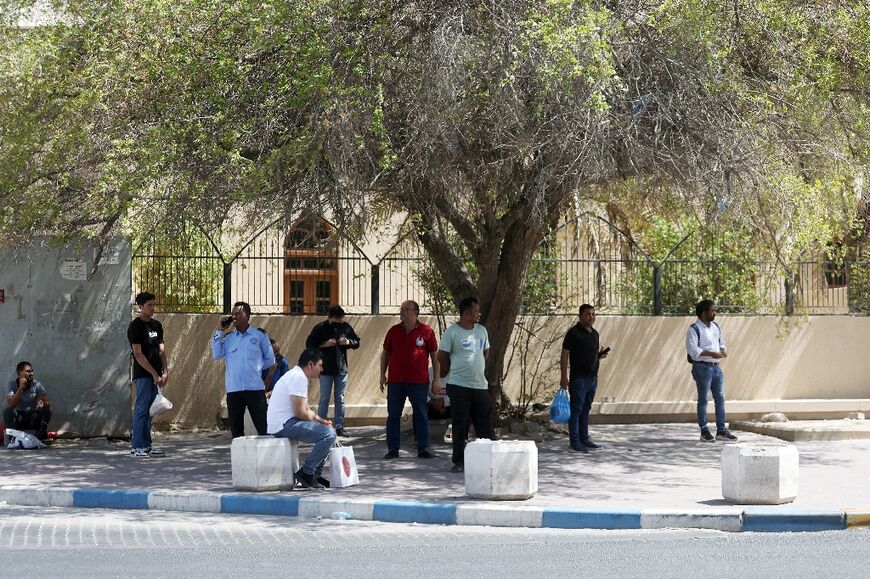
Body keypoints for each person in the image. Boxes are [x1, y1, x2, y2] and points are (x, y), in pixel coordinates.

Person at [437, 296, 495, 473]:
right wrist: (448, 372)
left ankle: (489, 459)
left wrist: (478, 367)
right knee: (460, 425)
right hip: (459, 386)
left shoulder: (481, 330)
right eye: (476, 311)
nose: (479, 314)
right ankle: (459, 461)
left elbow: (486, 351)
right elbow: (442, 356)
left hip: (480, 386)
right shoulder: (452, 332)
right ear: (467, 313)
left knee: (484, 425)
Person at [380, 300, 441, 459]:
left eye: (406, 309)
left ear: (415, 312)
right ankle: (393, 449)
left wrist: (437, 380)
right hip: (396, 382)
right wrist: (382, 374)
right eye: (401, 309)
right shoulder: (393, 331)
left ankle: (423, 449)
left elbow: (435, 357)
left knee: (421, 414)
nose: (402, 312)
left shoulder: (426, 331)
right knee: (393, 415)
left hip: (419, 382)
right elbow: (385, 354)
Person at [268, 348, 336, 489]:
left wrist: (321, 421)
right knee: (329, 435)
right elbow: (300, 412)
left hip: (285, 422)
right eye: (320, 365)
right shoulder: (298, 377)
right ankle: (306, 473)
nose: (321, 369)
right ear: (310, 364)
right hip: (283, 425)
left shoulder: (296, 375)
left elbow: (304, 410)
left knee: (328, 431)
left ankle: (314, 475)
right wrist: (321, 424)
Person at [211, 301, 276, 437]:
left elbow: (270, 360)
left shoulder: (259, 336)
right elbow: (216, 354)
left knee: (265, 428)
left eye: (238, 314)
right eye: (233, 314)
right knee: (236, 432)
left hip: (255, 389)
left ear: (247, 316)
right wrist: (220, 330)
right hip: (234, 390)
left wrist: (255, 368)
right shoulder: (228, 338)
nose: (234, 317)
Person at [560, 304, 609, 453]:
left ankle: (584, 438)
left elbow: (592, 354)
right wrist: (563, 376)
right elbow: (564, 355)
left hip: (592, 378)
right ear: (580, 316)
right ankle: (574, 441)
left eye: (593, 314)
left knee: (586, 409)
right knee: (576, 410)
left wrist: (600, 356)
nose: (591, 317)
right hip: (578, 379)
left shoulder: (595, 334)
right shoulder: (573, 333)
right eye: (588, 314)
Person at [305, 305, 360, 437]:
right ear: (330, 317)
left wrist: (348, 342)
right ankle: (321, 425)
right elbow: (309, 344)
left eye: (340, 320)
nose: (339, 323)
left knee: (340, 398)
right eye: (337, 320)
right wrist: (324, 344)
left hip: (341, 369)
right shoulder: (320, 328)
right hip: (324, 369)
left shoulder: (345, 327)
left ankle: (339, 426)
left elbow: (357, 342)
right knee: (324, 397)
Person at [687, 299, 737, 442]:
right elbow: (693, 351)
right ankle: (704, 431)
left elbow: (721, 342)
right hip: (702, 367)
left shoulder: (715, 327)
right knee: (703, 400)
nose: (715, 313)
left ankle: (721, 431)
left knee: (720, 399)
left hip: (716, 368)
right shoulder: (694, 329)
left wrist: (722, 350)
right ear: (704, 313)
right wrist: (711, 354)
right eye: (712, 310)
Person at [127, 292, 169, 457]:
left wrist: (165, 371)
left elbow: (162, 350)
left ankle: (147, 445)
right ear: (140, 307)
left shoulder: (157, 325)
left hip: (156, 375)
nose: (153, 308)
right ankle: (136, 446)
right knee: (141, 409)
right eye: (149, 305)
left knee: (151, 411)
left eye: (154, 304)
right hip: (144, 375)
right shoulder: (135, 326)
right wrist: (153, 373)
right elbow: (138, 354)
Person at [4, 361, 52, 441]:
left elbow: (46, 401)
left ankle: (41, 433)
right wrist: (20, 388)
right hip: (19, 418)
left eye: (32, 371)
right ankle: (12, 437)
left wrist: (42, 402)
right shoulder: (11, 384)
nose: (31, 373)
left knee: (47, 409)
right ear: (20, 373)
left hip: (33, 418)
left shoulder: (37, 384)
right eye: (28, 371)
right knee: (7, 411)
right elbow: (11, 403)